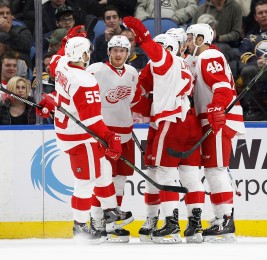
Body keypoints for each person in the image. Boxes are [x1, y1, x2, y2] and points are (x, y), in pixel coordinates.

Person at [36, 27, 134, 243]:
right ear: (82, 55)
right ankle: (80, 225)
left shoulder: (62, 64)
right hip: (80, 137)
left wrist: (66, 42)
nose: (89, 55)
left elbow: (55, 61)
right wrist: (111, 138)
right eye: (87, 51)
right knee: (86, 181)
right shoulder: (85, 80)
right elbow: (92, 122)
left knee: (104, 171)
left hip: (68, 131)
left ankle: (109, 211)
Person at [123, 16, 205, 244]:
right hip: (190, 122)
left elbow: (155, 55)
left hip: (170, 123)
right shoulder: (183, 63)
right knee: (190, 176)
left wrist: (142, 34)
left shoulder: (166, 60)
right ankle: (195, 227)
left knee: (165, 174)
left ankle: (171, 225)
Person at [186, 22, 245, 242]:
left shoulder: (209, 56)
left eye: (191, 38)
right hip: (213, 118)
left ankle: (225, 219)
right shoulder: (202, 58)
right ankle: (222, 217)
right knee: (214, 169)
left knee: (216, 169)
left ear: (201, 39)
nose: (188, 43)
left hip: (219, 119)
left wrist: (217, 109)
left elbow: (221, 86)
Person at [86, 35, 147, 242]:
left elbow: (133, 100)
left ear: (128, 53)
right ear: (109, 52)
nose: (118, 54)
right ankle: (96, 221)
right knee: (104, 179)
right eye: (115, 50)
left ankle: (113, 222)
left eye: (122, 50)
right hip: (104, 133)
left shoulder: (132, 73)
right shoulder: (95, 70)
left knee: (120, 179)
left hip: (125, 132)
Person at [0, 0, 33, 69]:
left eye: (8, 13)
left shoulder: (22, 30)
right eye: (1, 13)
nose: (5, 16)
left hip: (17, 68)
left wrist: (9, 30)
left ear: (12, 16)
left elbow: (26, 46)